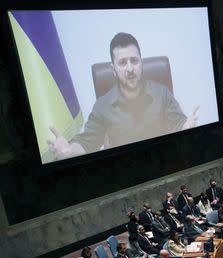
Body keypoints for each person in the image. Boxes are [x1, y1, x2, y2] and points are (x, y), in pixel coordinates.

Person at [46, 32, 197, 161]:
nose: (130, 68)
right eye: (123, 63)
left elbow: (178, 124)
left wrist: (186, 128)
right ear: (113, 69)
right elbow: (87, 143)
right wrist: (70, 150)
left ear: (141, 63)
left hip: (162, 161)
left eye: (134, 61)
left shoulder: (161, 92)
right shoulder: (102, 106)